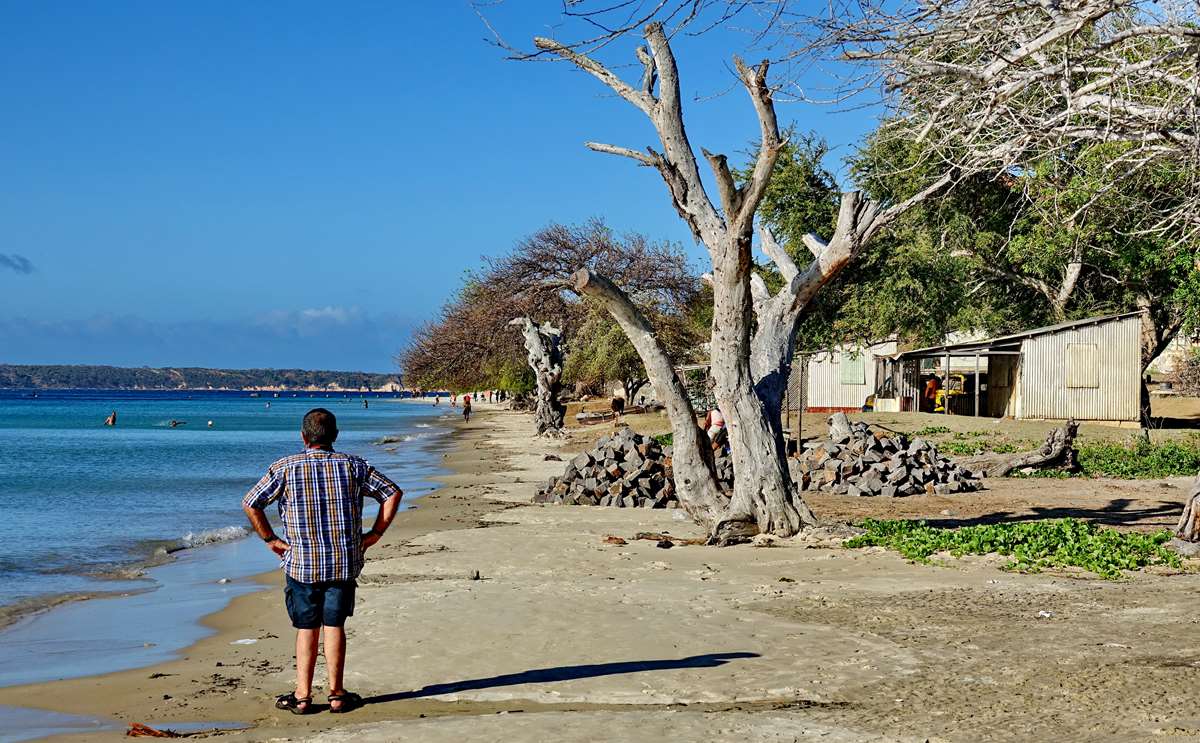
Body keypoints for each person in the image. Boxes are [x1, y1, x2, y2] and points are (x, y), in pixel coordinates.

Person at [242, 408, 404, 716]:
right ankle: (336, 694)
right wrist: (376, 533)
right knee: (334, 625)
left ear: (303, 437)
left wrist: (270, 539)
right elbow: (392, 493)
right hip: (343, 561)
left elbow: (251, 503)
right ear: (335, 436)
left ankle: (302, 696)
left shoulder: (285, 467)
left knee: (306, 628)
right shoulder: (353, 465)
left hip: (302, 563)